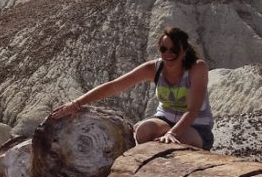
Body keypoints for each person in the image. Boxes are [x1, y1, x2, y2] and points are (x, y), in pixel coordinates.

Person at [49, 26, 214, 150]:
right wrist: (76, 104)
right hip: (165, 120)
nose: (168, 54)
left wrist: (172, 133)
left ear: (184, 51)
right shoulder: (154, 69)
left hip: (196, 126)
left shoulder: (197, 68)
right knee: (143, 131)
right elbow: (114, 86)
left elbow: (192, 110)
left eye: (174, 49)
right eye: (164, 49)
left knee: (175, 144)